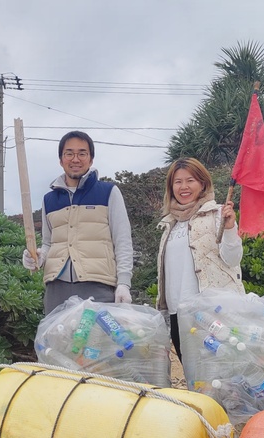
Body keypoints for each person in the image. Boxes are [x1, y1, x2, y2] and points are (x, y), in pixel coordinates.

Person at [22, 131, 134, 314]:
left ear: (90, 160)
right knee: (58, 342)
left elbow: (122, 241)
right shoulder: (49, 200)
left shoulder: (109, 192)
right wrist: (38, 257)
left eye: (82, 153)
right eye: (69, 153)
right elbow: (48, 243)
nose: (75, 159)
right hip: (57, 289)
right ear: (61, 160)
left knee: (97, 342)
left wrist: (123, 283)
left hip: (98, 285)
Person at [156, 157, 245, 362]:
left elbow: (232, 259)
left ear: (202, 183)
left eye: (190, 180)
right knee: (192, 375)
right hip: (178, 314)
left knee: (221, 372)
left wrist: (230, 227)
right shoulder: (169, 224)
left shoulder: (217, 214)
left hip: (211, 312)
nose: (184, 187)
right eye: (178, 182)